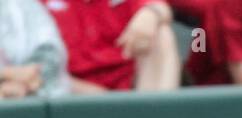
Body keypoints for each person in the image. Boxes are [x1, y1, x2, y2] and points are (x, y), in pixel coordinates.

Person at [40, 0, 181, 92]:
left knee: (161, 34)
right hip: (70, 90)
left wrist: (150, 14)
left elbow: (158, 7)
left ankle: (157, 117)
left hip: (130, 85)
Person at [0, 0, 70, 97]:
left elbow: (50, 52)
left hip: (34, 96)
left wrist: (21, 84)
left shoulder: (25, 3)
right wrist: (7, 74)